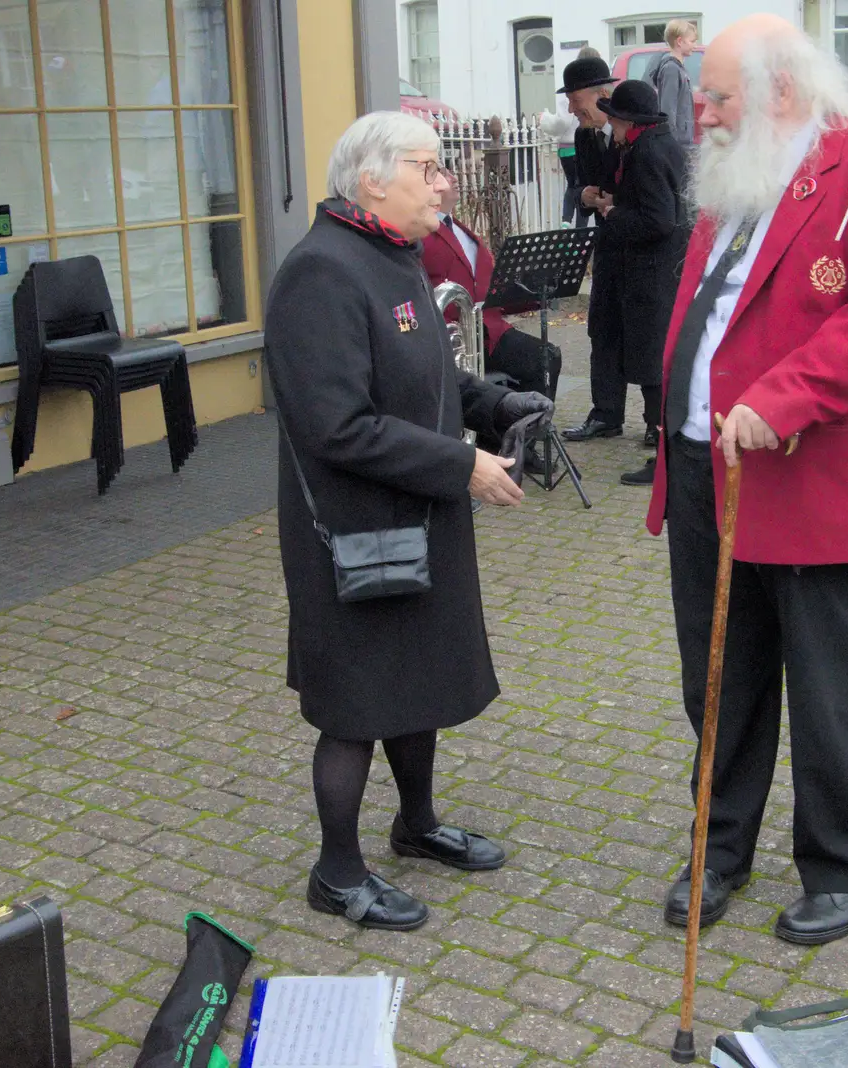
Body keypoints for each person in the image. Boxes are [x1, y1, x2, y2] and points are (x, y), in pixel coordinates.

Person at [644, 15, 848, 945]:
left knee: (833, 692)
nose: (700, 109)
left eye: (718, 94)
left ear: (783, 89)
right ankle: (717, 846)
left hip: (822, 476)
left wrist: (783, 396)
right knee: (720, 681)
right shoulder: (734, 168)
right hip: (706, 466)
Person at [264, 112, 553, 932]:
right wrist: (461, 465)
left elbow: (426, 376)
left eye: (439, 168)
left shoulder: (391, 257)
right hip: (352, 531)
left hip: (415, 514)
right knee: (356, 701)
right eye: (426, 169)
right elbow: (336, 427)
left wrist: (495, 402)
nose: (444, 182)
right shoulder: (319, 273)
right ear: (371, 181)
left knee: (417, 676)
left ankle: (416, 826)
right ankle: (336, 871)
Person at [576, 80, 691, 487]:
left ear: (627, 121)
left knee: (653, 359)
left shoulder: (647, 152)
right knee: (650, 355)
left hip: (653, 269)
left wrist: (612, 212)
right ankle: (663, 449)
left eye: (614, 118)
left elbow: (659, 219)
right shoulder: (654, 143)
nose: (611, 125)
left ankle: (665, 455)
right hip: (655, 268)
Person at [421, 169, 563, 405]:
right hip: (459, 336)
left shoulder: (457, 227)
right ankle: (513, 431)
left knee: (546, 357)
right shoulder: (422, 232)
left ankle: (523, 432)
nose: (453, 178)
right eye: (444, 174)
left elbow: (489, 286)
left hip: (489, 330)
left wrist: (533, 294)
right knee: (540, 360)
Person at [556, 57, 635, 444]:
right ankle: (605, 414)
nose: (572, 108)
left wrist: (613, 200)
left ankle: (656, 423)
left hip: (640, 248)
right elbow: (582, 187)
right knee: (601, 329)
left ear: (602, 93)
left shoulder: (634, 131)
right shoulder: (583, 136)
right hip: (607, 247)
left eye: (575, 98)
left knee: (643, 332)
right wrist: (585, 196)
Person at [540, 96, 590, 228]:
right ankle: (580, 229)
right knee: (581, 186)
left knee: (572, 185)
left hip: (566, 149)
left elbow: (560, 122)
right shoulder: (580, 95)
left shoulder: (566, 97)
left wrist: (544, 118)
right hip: (578, 148)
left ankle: (566, 222)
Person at [649, 18, 699, 147]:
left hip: (683, 140)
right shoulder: (671, 69)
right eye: (692, 41)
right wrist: (671, 145)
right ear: (680, 41)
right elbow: (668, 110)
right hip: (677, 143)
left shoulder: (679, 68)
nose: (695, 45)